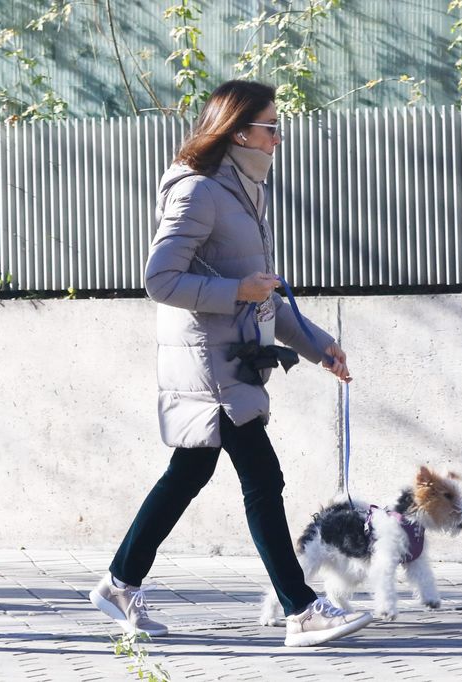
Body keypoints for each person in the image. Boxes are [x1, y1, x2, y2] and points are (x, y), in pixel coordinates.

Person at [88, 80, 372, 647]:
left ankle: (120, 582)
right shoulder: (198, 192)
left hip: (232, 359)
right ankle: (302, 611)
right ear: (240, 131)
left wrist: (320, 345)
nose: (278, 138)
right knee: (264, 481)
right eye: (271, 127)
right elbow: (160, 279)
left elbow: (260, 292)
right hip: (210, 366)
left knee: (187, 474)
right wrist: (236, 290)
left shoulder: (244, 194)